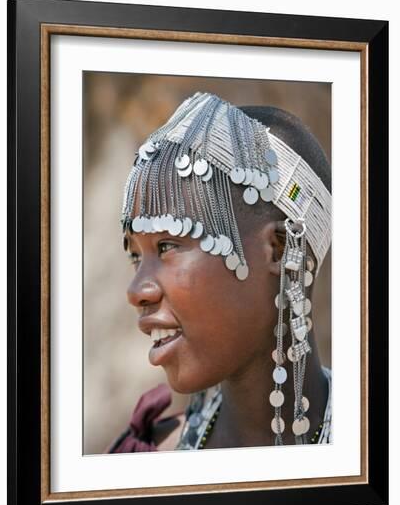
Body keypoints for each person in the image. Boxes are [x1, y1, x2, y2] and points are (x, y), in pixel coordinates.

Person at [105, 91, 332, 453]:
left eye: (167, 246)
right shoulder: (143, 459)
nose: (137, 291)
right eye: (136, 256)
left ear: (280, 249)